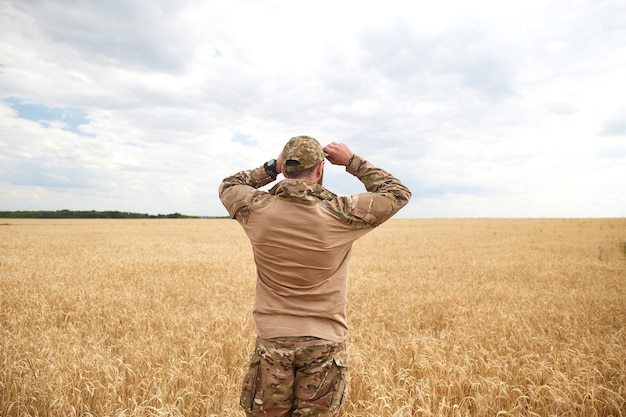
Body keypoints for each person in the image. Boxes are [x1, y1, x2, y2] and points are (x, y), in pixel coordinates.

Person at [218, 135, 411, 417]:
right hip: (324, 344)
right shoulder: (341, 213)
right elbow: (397, 193)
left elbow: (230, 185)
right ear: (320, 169)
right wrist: (352, 162)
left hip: (273, 340)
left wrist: (270, 167)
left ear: (286, 168)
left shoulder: (256, 210)